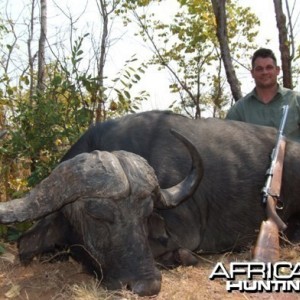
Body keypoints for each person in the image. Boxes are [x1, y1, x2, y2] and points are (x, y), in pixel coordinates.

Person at [226, 48, 300, 142]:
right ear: (252, 73)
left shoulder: (296, 101)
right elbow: (227, 144)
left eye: (269, 67)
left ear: (277, 70)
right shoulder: (239, 110)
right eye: (259, 69)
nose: (264, 72)